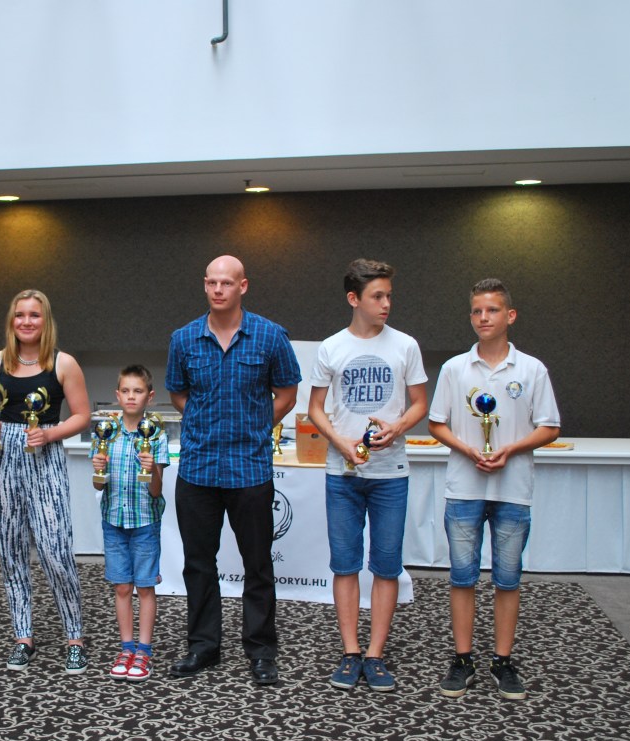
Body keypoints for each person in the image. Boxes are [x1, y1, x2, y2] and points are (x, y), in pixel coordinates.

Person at [166, 255, 301, 686]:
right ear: (205, 285)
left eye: (227, 283)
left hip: (250, 470)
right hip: (198, 470)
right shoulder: (183, 339)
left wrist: (256, 425)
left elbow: (287, 393)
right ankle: (203, 646)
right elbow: (178, 393)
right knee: (198, 563)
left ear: (243, 286)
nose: (218, 290)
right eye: (212, 282)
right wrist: (204, 422)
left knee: (257, 565)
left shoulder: (270, 335)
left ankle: (261, 651)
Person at [427, 278, 560, 700]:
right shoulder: (455, 369)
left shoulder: (532, 369)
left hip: (513, 489)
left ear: (510, 315)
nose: (483, 318)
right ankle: (462, 659)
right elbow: (436, 423)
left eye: (492, 310)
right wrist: (468, 449)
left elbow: (550, 427)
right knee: (462, 576)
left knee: (507, 578)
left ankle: (502, 661)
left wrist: (509, 450)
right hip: (464, 487)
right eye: (477, 311)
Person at [308, 259, 427, 692]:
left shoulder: (405, 346)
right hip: (342, 473)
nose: (386, 304)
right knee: (344, 564)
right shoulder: (332, 347)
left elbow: (420, 403)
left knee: (386, 565)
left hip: (390, 474)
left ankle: (375, 655)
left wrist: (398, 427)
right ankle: (350, 652)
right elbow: (315, 409)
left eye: (389, 295)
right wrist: (340, 442)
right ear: (353, 299)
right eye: (377, 296)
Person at [0, 289, 92, 674]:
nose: (26, 322)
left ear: (46, 321)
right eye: (20, 315)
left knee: (54, 550)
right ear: (11, 321)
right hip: (2, 460)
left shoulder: (63, 363)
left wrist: (50, 433)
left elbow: (82, 415)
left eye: (34, 315)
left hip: (45, 456)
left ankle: (74, 637)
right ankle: (23, 636)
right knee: (11, 552)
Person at [90, 364, 170, 682]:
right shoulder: (106, 433)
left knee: (145, 586)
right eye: (125, 391)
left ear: (149, 396)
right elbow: (98, 485)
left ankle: (144, 651)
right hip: (113, 521)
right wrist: (98, 467)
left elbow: (157, 490)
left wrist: (152, 469)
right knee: (122, 586)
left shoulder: (156, 435)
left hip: (145, 521)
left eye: (138, 391)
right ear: (117, 395)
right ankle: (126, 648)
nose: (131, 396)